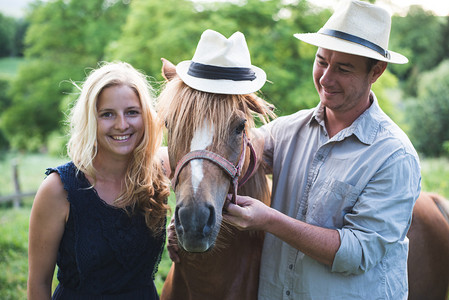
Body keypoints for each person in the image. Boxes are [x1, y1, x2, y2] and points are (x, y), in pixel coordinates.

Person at [221, 1, 421, 299]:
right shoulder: (288, 130)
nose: (326, 78)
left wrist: (270, 220)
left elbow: (357, 252)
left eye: (343, 68)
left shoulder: (393, 156)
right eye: (322, 61)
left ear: (376, 71)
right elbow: (238, 152)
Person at [27, 61, 170, 299]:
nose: (122, 124)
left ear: (146, 116)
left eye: (132, 112)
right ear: (91, 119)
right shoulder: (58, 190)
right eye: (107, 114)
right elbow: (38, 285)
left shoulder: (156, 174)